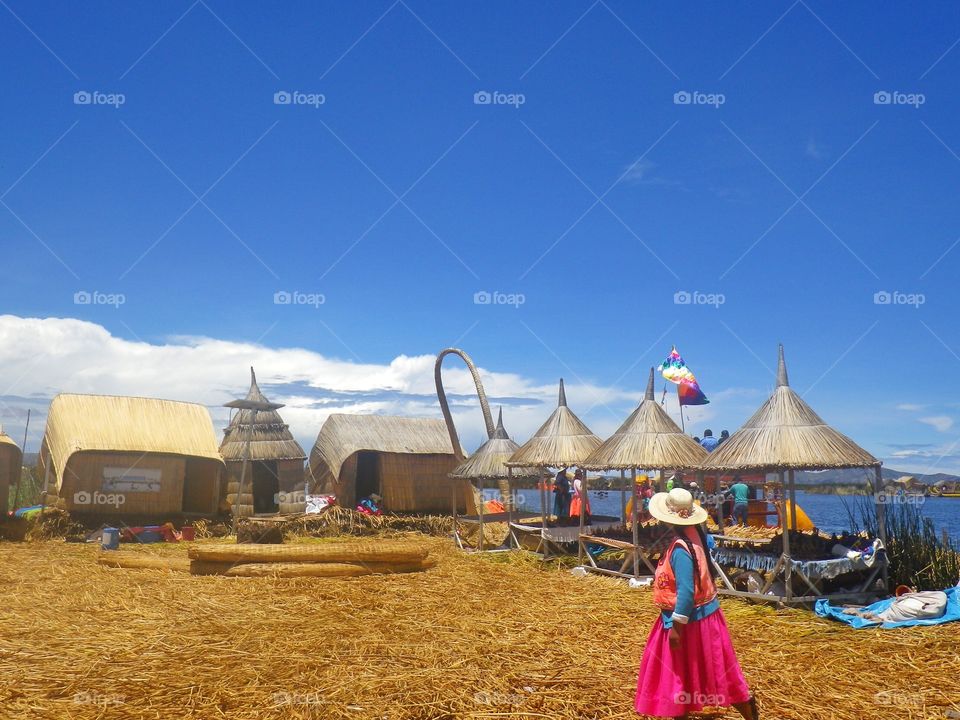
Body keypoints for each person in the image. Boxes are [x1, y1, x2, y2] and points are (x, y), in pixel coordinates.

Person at [635, 488, 756, 719]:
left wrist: (676, 629)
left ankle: (747, 708)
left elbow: (687, 592)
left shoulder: (681, 548)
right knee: (709, 672)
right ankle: (747, 707)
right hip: (704, 618)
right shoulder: (694, 535)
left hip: (687, 621)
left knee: (677, 674)